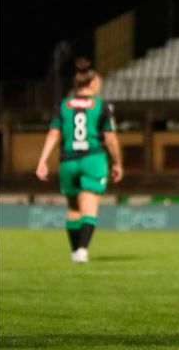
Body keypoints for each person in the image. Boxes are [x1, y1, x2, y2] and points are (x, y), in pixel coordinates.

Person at [35, 58, 123, 263]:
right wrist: (117, 162)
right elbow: (110, 139)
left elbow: (53, 134)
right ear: (92, 83)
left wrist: (42, 160)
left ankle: (75, 251)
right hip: (92, 158)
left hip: (68, 160)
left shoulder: (63, 105)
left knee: (73, 207)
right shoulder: (102, 106)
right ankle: (82, 250)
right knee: (89, 206)